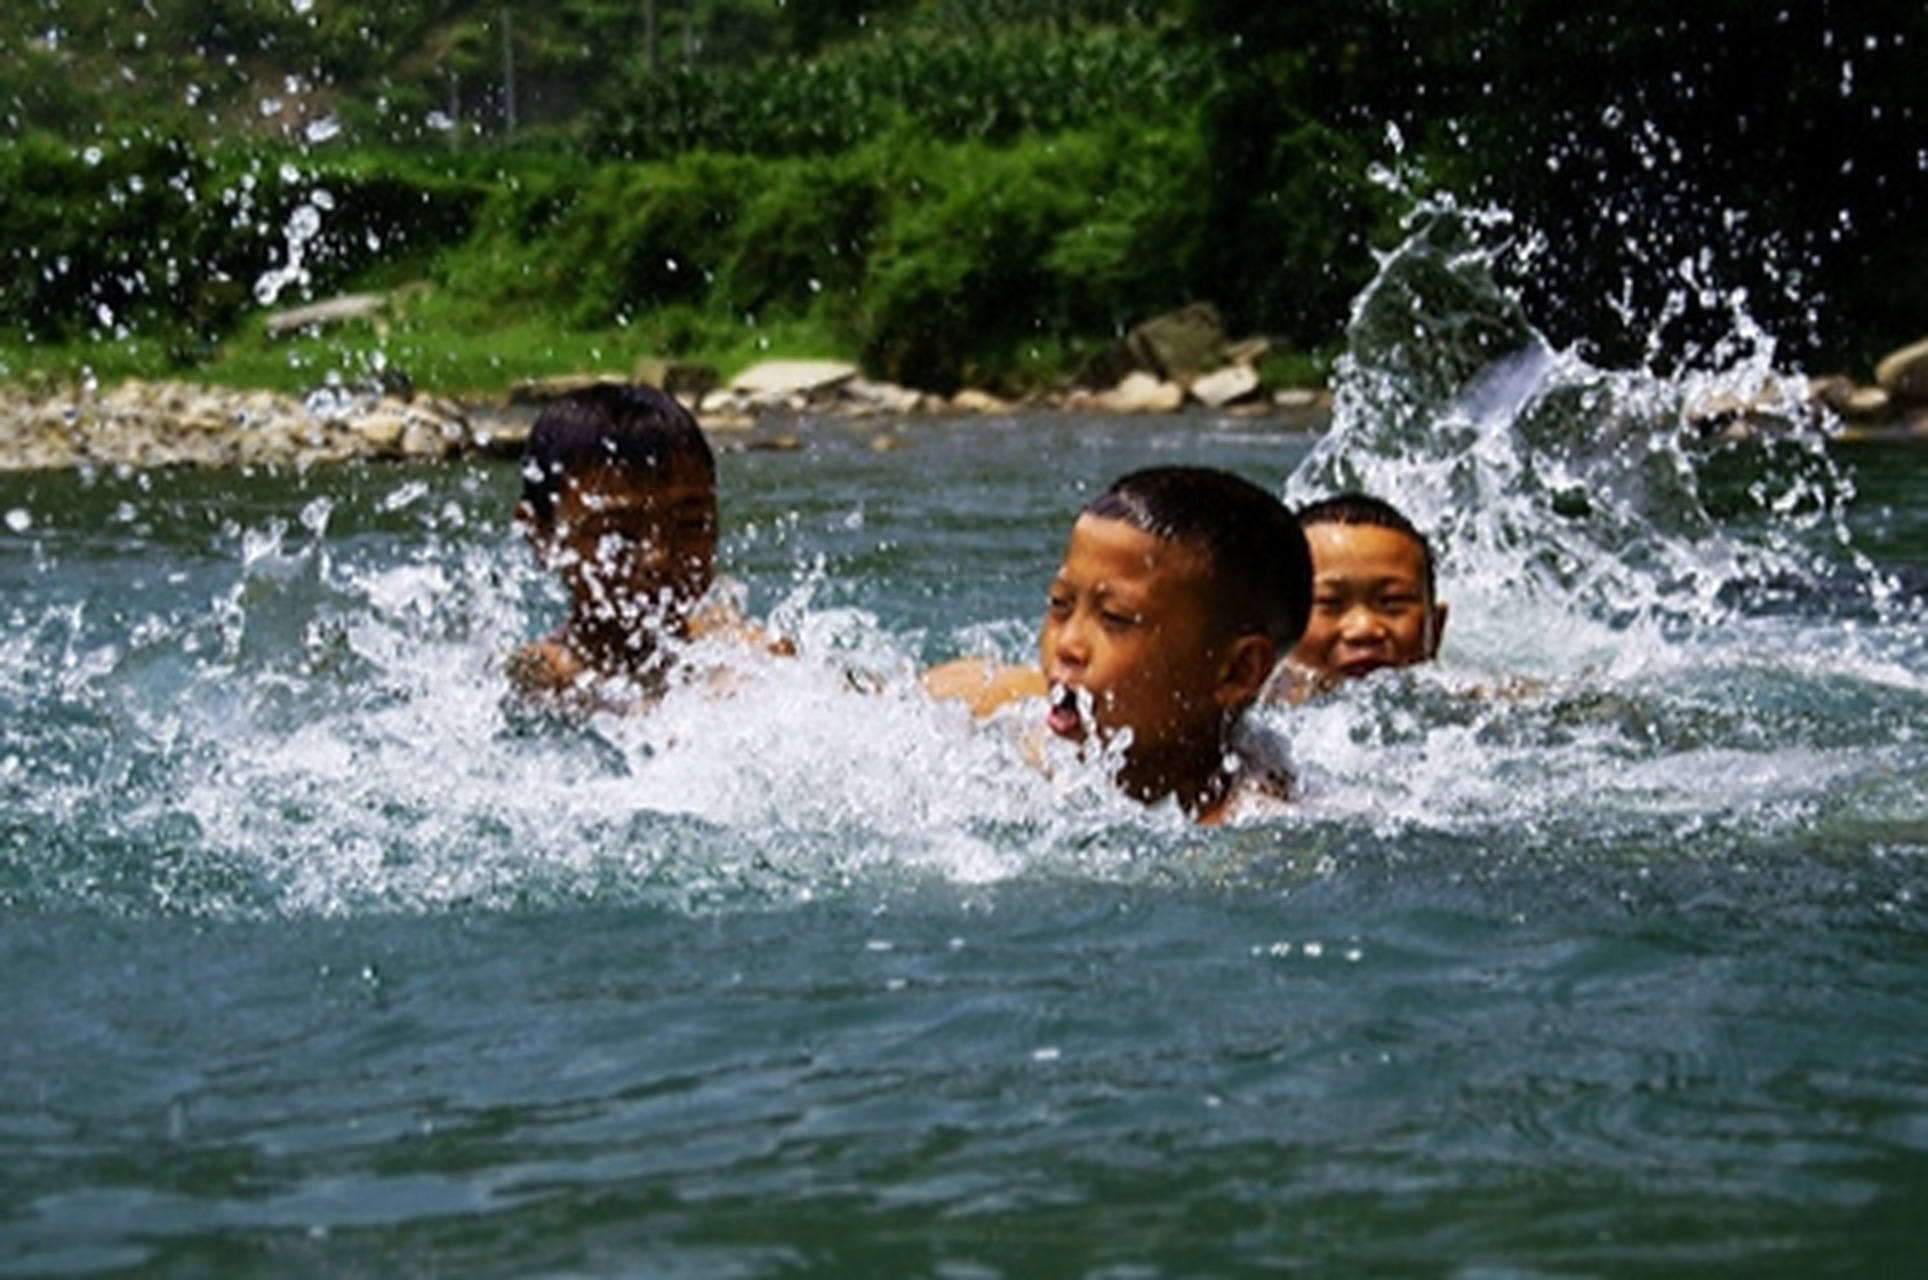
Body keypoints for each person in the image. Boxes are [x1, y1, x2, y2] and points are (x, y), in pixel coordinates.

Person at [923, 466, 1312, 824]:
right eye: (1060, 604)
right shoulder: (1015, 717)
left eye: (1115, 618)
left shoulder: (1256, 831)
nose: (1069, 644)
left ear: (1237, 670)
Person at [507, 381, 783, 711]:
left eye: (690, 525)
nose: (660, 557)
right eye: (618, 533)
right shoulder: (536, 678)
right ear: (540, 536)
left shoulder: (742, 649)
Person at [1278, 492, 1447, 701]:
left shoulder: (1473, 713)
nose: (1363, 628)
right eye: (1329, 602)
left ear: (1436, 629)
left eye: (1392, 601)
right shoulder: (1243, 722)